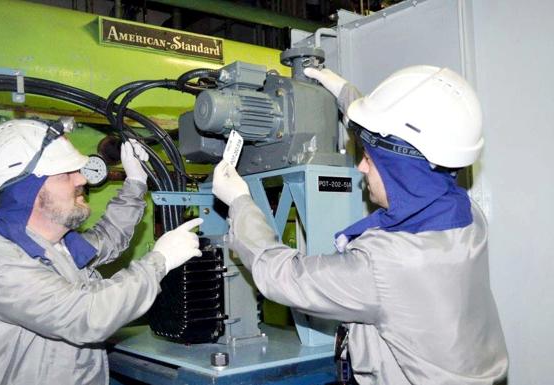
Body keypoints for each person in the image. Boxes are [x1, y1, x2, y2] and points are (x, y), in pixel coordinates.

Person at [211, 66, 508, 384]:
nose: (360, 166)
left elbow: (279, 275)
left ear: (401, 172)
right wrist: (347, 96)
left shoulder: (386, 265)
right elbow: (406, 142)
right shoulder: (466, 214)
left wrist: (240, 202)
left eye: (369, 157)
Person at [0, 119, 202, 385]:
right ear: (30, 190)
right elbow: (89, 314)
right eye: (66, 174)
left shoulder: (56, 246)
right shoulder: (3, 266)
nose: (83, 179)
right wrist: (160, 261)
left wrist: (135, 181)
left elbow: (107, 238)